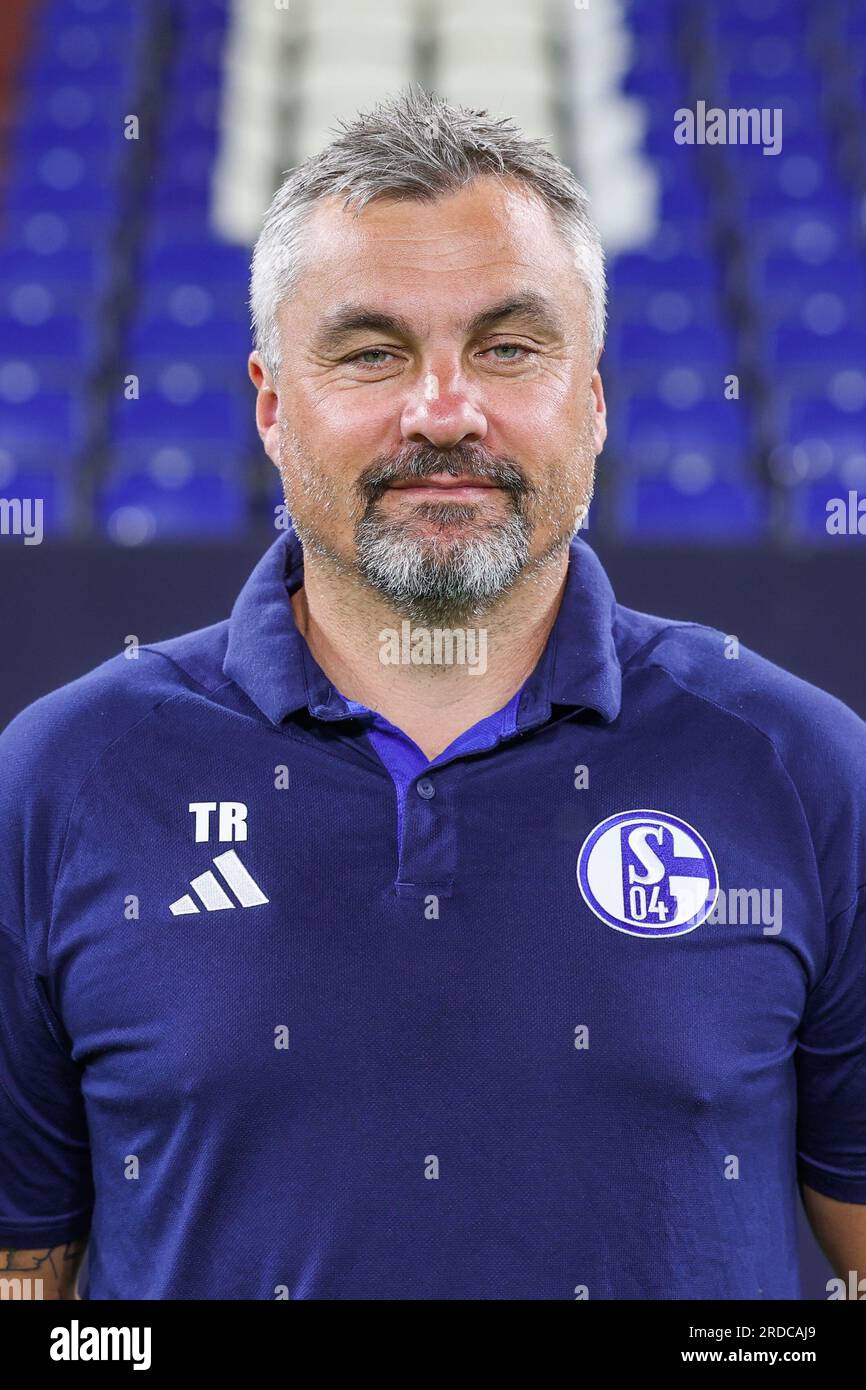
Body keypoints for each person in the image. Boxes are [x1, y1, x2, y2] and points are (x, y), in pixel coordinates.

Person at [1, 88, 864, 1301]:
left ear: (596, 398)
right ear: (268, 405)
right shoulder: (61, 780)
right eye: (371, 352)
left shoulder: (805, 768)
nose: (443, 411)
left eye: (509, 347)